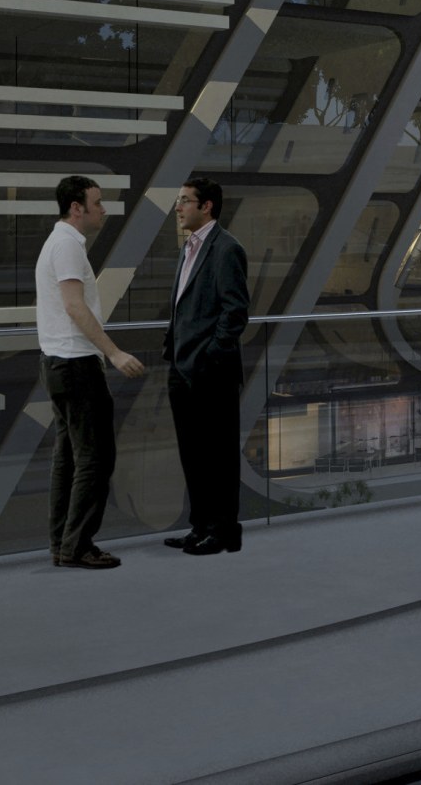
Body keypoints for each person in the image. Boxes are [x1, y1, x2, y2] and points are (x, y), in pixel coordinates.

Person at [36, 176, 146, 569]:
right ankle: (78, 546)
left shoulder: (59, 242)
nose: (104, 209)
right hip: (76, 365)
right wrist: (114, 353)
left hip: (58, 363)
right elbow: (74, 306)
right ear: (77, 207)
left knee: (69, 459)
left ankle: (63, 544)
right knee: (95, 458)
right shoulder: (66, 245)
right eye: (97, 203)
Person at [165, 177, 251, 556]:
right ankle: (200, 527)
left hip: (211, 371)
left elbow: (235, 313)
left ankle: (223, 531)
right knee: (193, 454)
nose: (178, 207)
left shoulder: (226, 248)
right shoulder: (188, 248)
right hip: (182, 370)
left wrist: (208, 357)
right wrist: (174, 353)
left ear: (207, 207)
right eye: (179, 201)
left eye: (185, 201)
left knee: (218, 456)